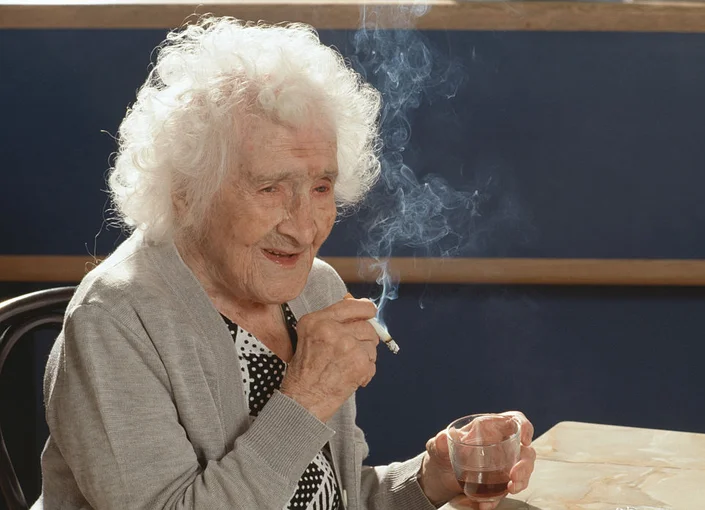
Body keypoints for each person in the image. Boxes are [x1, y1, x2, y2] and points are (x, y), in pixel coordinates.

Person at [34, 17, 535, 510]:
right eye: (270, 187)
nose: (304, 226)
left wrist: (428, 480)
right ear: (187, 193)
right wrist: (307, 397)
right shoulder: (117, 320)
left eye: (321, 188)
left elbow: (324, 496)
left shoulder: (313, 288)